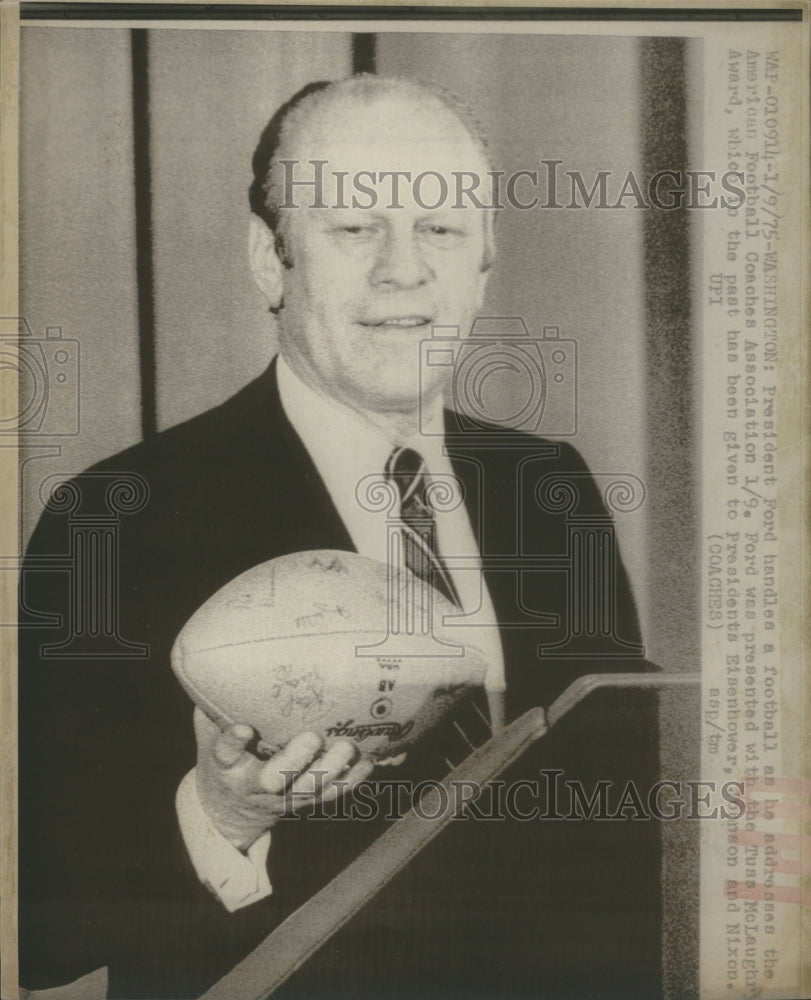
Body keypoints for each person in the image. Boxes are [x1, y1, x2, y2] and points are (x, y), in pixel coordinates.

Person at [18, 76, 661, 999]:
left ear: (485, 263)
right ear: (269, 261)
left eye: (440, 229)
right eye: (355, 228)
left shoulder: (545, 483)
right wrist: (221, 812)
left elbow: (616, 803)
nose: (403, 271)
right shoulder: (115, 514)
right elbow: (44, 919)